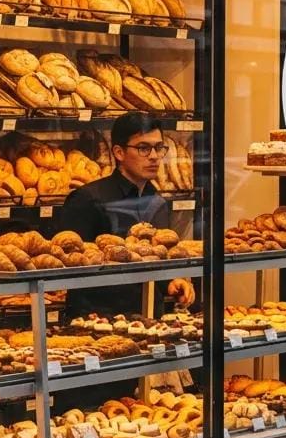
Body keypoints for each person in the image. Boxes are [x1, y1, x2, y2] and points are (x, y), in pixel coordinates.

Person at [60, 111, 194, 313]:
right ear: (119, 152)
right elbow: (69, 266)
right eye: (143, 148)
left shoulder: (157, 201)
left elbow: (156, 260)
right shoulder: (87, 199)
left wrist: (170, 281)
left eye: (158, 148)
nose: (154, 156)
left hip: (151, 321)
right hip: (99, 322)